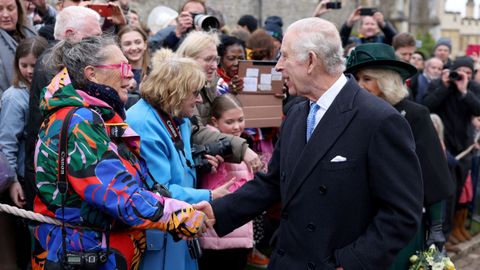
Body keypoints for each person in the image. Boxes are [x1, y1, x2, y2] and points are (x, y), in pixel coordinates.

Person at [195, 17, 423, 270]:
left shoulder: (378, 120)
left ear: (311, 61)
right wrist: (217, 211)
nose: (278, 66)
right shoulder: (296, 114)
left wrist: (350, 263)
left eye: (284, 57)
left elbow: (401, 214)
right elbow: (272, 183)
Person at [32, 36, 206, 270]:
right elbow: (117, 194)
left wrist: (182, 205)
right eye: (123, 67)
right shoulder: (81, 121)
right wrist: (178, 215)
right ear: (92, 73)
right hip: (84, 254)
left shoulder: (94, 115)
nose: (130, 75)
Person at [345, 43, 454, 269]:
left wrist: (436, 226)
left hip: (400, 224)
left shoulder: (415, 115)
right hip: (357, 222)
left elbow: (434, 174)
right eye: (356, 79)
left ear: (385, 81)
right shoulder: (351, 115)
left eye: (367, 79)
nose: (359, 86)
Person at [126, 48, 234, 270]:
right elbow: (158, 191)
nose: (199, 99)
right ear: (175, 91)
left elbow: (177, 166)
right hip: (160, 236)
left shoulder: (177, 117)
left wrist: (197, 161)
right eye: (194, 92)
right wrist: (210, 195)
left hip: (179, 229)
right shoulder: (144, 122)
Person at [24, 5, 102, 210]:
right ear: (69, 34)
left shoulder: (61, 61)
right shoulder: (53, 65)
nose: (99, 44)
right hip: (54, 184)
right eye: (93, 38)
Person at [176, 30, 263, 172]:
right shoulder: (180, 89)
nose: (213, 66)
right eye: (208, 59)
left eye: (216, 60)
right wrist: (241, 149)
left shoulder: (210, 82)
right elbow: (195, 132)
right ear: (188, 58)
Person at [422, 56, 480, 250]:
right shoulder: (440, 84)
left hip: (464, 150)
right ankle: (440, 237)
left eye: (469, 73)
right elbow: (426, 106)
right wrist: (446, 86)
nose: (463, 76)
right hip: (442, 149)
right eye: (460, 71)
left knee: (457, 193)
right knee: (444, 193)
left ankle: (448, 234)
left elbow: (478, 109)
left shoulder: (471, 88)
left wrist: (464, 91)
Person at [198, 93, 253, 270]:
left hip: (236, 231)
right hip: (219, 235)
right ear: (215, 122)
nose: (237, 127)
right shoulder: (219, 149)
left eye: (241, 120)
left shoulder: (241, 146)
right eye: (230, 122)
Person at [0, 36, 48, 209]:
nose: (29, 71)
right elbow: (7, 144)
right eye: (24, 65)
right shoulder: (14, 97)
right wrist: (12, 181)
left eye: (35, 66)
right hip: (22, 176)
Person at [0, 0, 37, 97]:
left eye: (10, 8)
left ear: (18, 10)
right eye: (0, 9)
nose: (5, 15)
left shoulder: (30, 33)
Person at [117, 25, 149, 108]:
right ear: (120, 47)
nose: (134, 48)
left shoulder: (156, 71)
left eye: (138, 42)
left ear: (145, 44)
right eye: (127, 44)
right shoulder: (116, 75)